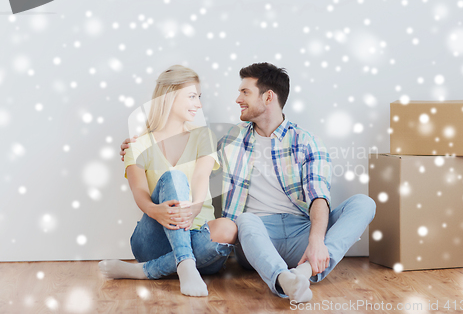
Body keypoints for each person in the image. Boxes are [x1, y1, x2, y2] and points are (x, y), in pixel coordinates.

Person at [120, 62, 376, 303]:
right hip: (257, 234)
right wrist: (137, 148)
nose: (237, 99)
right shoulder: (231, 138)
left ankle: (304, 272)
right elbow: (189, 163)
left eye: (245, 91)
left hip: (301, 232)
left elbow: (319, 195)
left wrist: (316, 240)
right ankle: (280, 278)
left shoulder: (306, 140)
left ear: (268, 97)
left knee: (364, 203)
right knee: (243, 220)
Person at [100, 65, 237, 297]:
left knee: (229, 228)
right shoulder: (138, 145)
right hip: (156, 237)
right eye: (193, 96)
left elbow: (202, 176)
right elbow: (139, 192)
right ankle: (184, 262)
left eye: (199, 97)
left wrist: (192, 211)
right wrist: (155, 210)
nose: (199, 104)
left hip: (198, 233)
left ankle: (146, 271)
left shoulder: (203, 136)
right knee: (174, 177)